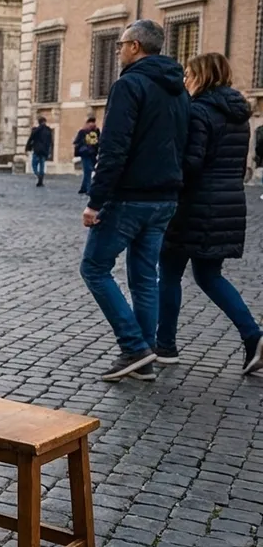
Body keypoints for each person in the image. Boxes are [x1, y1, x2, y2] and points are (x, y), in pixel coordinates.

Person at [80, 19, 189, 381]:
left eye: (121, 44)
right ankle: (144, 360)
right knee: (145, 277)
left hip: (129, 197)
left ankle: (134, 347)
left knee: (94, 268)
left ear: (136, 46)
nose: (118, 50)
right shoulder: (178, 89)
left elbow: (114, 147)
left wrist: (96, 201)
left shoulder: (130, 85)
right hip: (165, 197)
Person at [155, 53, 262, 375]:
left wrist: (166, 177)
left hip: (195, 205)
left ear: (203, 76)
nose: (185, 80)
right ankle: (253, 335)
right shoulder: (239, 115)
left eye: (189, 74)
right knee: (208, 275)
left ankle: (165, 346)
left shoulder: (199, 111)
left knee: (170, 272)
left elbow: (193, 162)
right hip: (228, 203)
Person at [74, 116, 101, 194]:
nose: (92, 124)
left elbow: (77, 142)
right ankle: (87, 188)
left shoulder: (86, 131)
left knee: (87, 171)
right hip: (87, 153)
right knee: (88, 171)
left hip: (89, 153)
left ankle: (85, 188)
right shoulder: (86, 132)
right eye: (91, 122)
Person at [26, 117, 53, 187]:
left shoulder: (36, 129)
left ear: (39, 122)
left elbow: (31, 138)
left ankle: (38, 175)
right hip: (44, 151)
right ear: (45, 121)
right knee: (42, 166)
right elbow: (51, 142)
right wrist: (49, 151)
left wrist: (27, 147)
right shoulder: (48, 130)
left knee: (34, 164)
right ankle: (40, 181)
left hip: (37, 150)